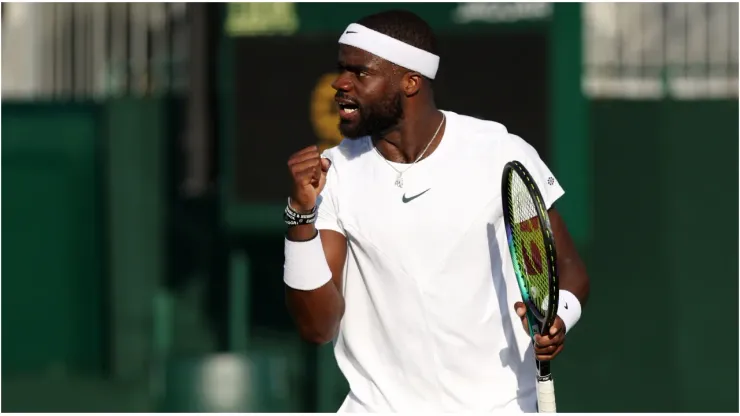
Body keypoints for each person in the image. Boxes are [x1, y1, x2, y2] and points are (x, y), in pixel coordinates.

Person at [282, 9, 590, 413]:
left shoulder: (497, 151)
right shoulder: (334, 173)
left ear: (410, 82)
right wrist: (300, 218)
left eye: (360, 73)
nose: (340, 83)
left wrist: (558, 318)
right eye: (342, 69)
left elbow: (567, 269)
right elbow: (318, 327)